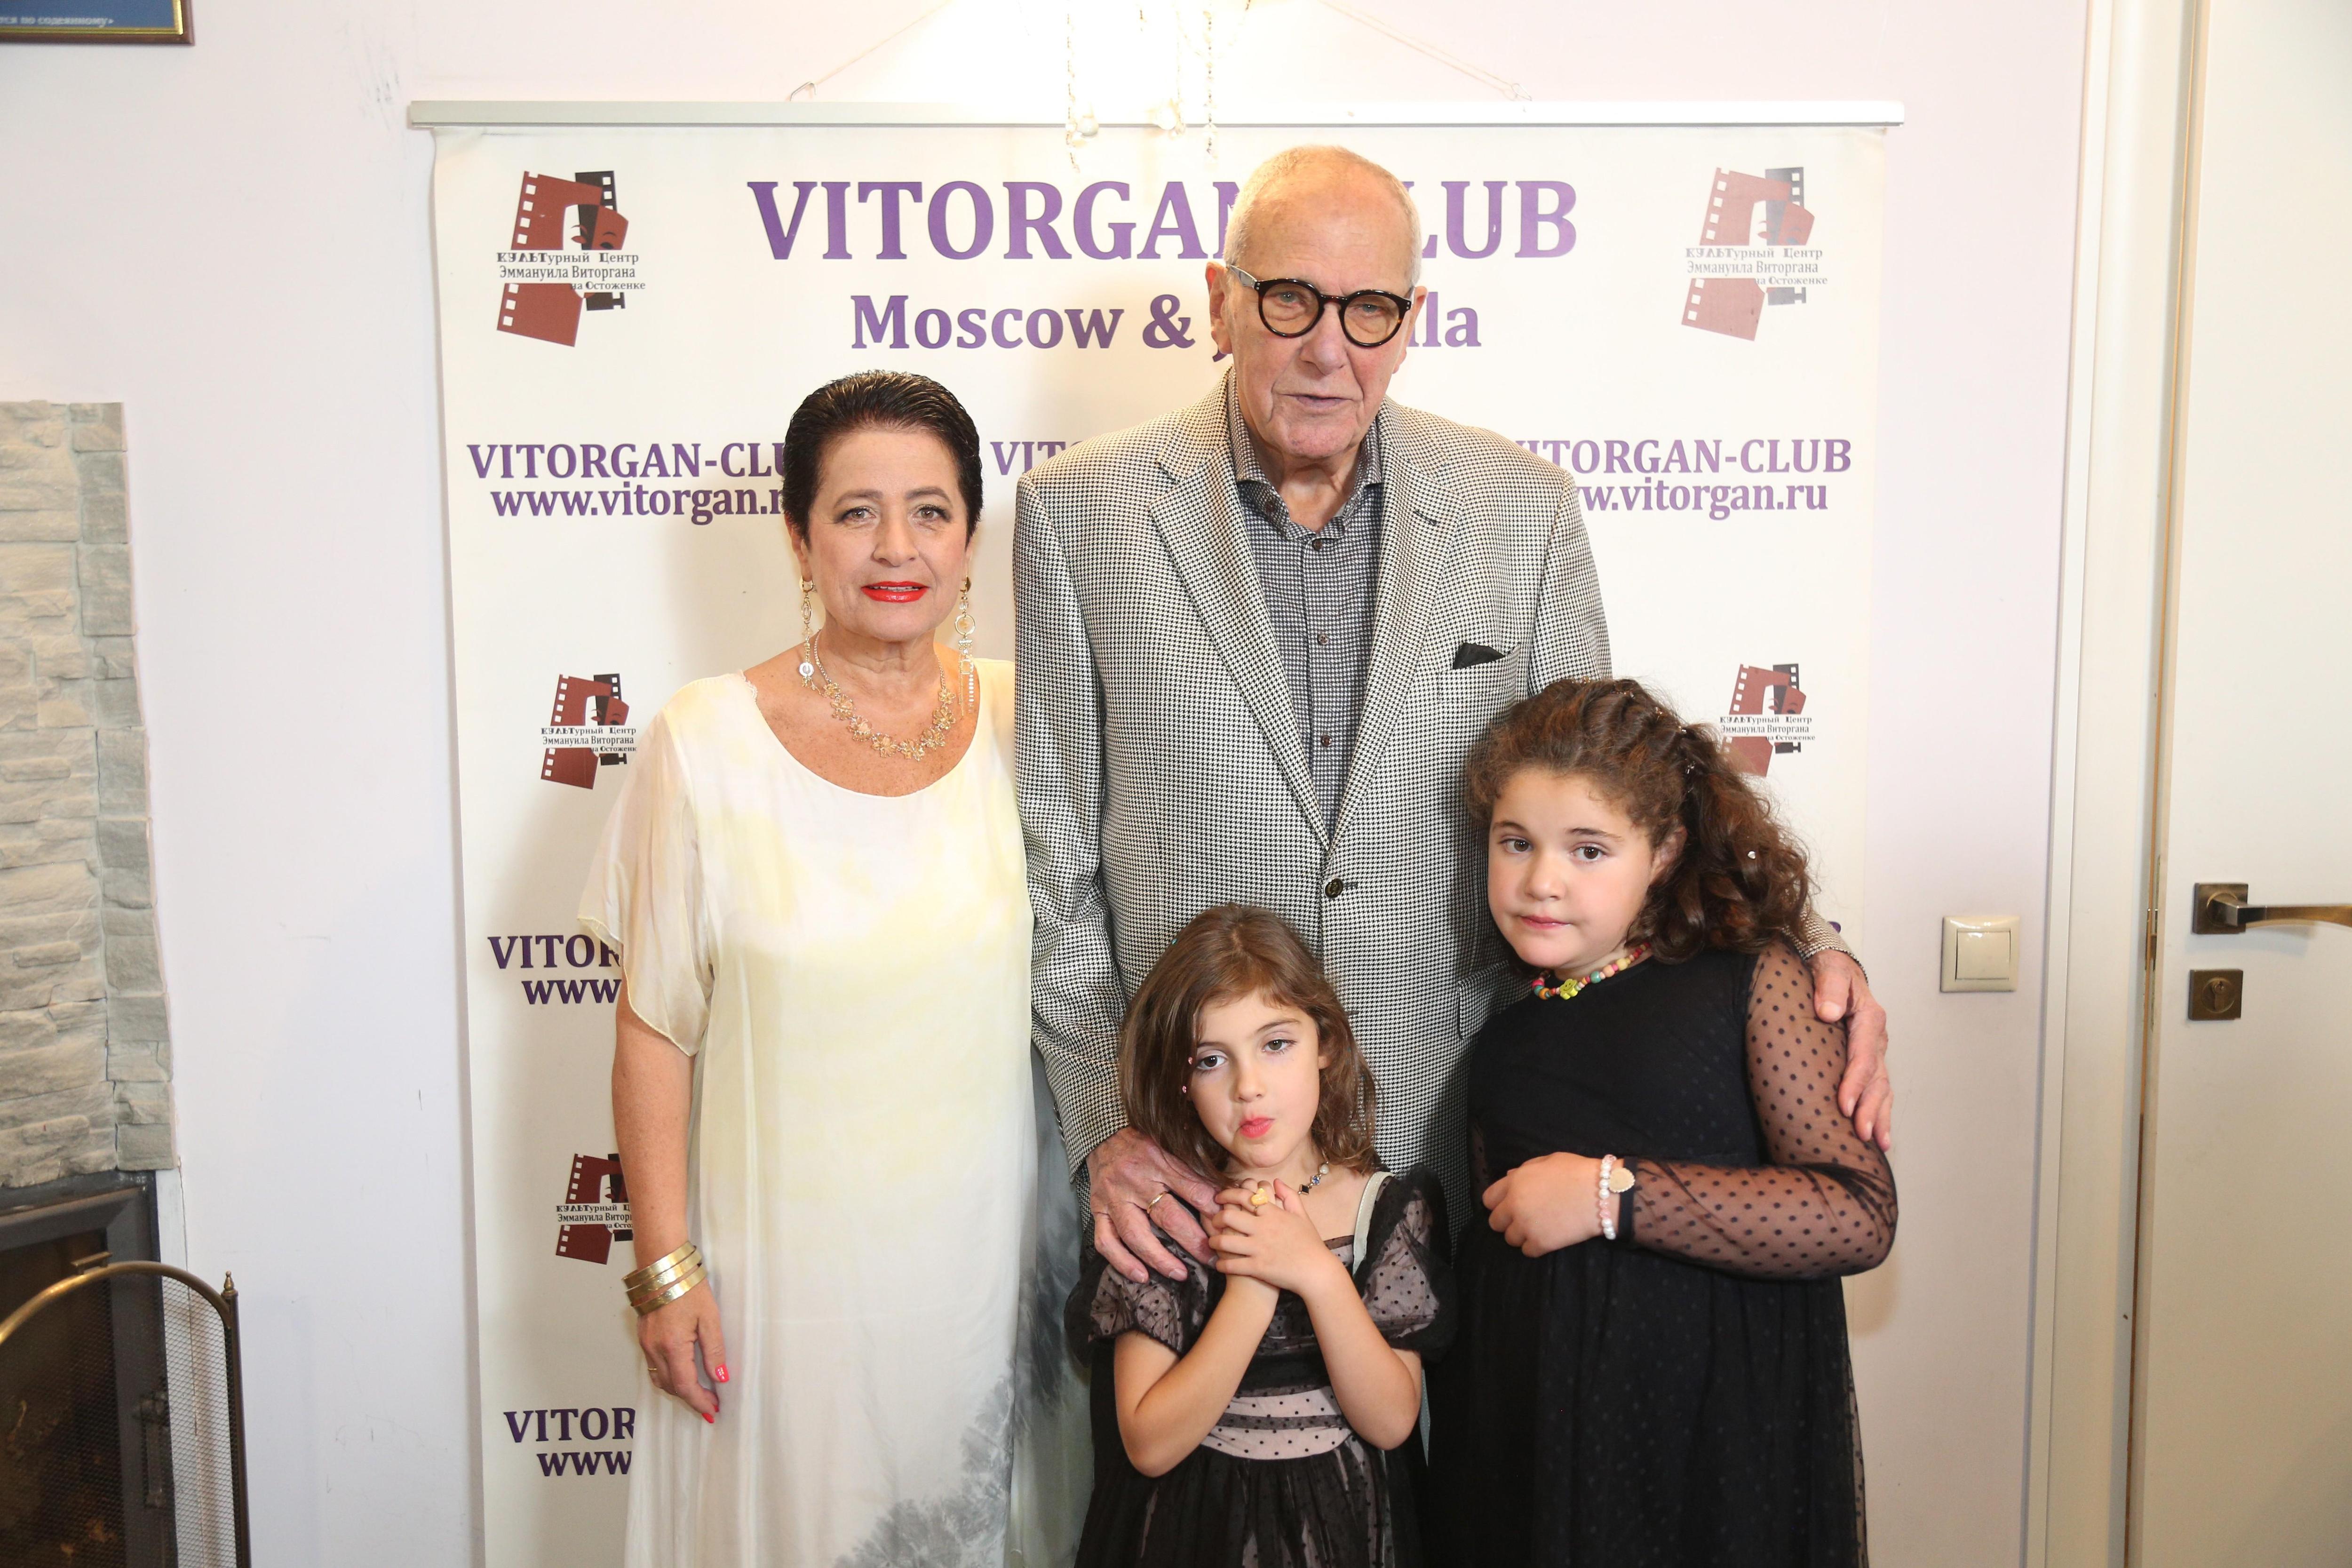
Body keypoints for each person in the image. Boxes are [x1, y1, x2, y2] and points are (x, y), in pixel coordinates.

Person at [1016, 143, 1893, 1289]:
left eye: (1368, 309)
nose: (1328, 348)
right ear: (1220, 303)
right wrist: (1105, 1122)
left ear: (1411, 322)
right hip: (1198, 1166)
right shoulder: (1078, 513)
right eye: (1289, 300)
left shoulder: (1521, 509)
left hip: (1465, 1138)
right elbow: (1052, 865)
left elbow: (1615, 799)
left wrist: (1810, 946)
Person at [580, 371, 1084, 1568]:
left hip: (989, 1274)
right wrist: (664, 1271)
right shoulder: (704, 738)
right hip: (779, 1289)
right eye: (857, 512)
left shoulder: (1031, 722)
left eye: (931, 510)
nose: (896, 546)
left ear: (971, 536)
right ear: (799, 537)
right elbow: (654, 1026)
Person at [1429, 677, 1898, 1566]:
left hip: (1710, 1455)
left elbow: (1857, 1213)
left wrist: (1609, 1195)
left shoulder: (1752, 981)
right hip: (1538, 1466)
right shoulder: (1502, 1040)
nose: (1542, 881)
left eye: (1589, 849)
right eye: (1515, 842)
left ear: (1666, 850)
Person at [1068, 904, 1453, 1568]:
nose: (1249, 1087)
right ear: (1182, 1081)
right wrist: (1249, 1292)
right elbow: (1149, 1444)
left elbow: (1392, 1421)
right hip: (1200, 1531)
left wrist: (1318, 1274)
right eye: (1212, 1060)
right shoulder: (1166, 1222)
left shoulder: (1384, 1210)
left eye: (1276, 1044)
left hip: (1345, 1531)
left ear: (1325, 1042)